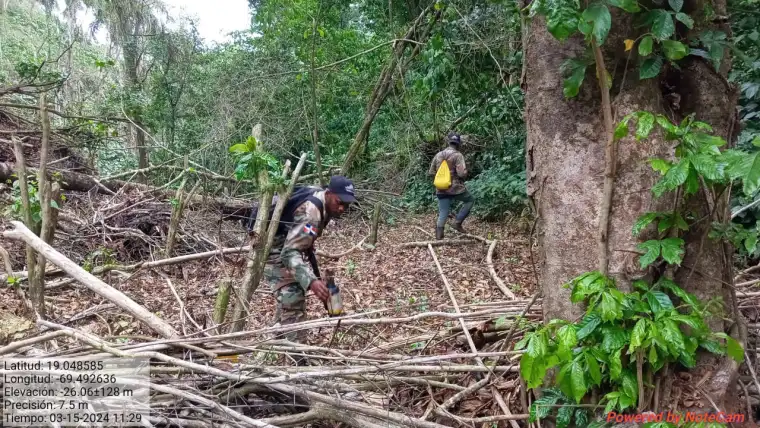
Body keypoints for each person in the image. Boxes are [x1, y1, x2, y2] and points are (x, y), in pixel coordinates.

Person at [262, 175, 356, 345]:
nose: (342, 208)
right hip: (270, 246)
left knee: (291, 295)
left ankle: (275, 339)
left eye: (347, 205)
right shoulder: (311, 213)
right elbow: (290, 252)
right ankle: (296, 356)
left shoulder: (326, 205)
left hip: (284, 242)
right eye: (339, 202)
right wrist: (311, 281)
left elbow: (302, 235)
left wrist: (306, 243)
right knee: (293, 295)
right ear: (328, 193)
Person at [428, 132, 474, 240]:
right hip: (455, 188)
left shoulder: (438, 155)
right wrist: (465, 172)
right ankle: (457, 222)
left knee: (443, 211)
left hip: (441, 188)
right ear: (458, 144)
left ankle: (439, 237)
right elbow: (461, 174)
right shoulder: (458, 155)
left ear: (449, 142)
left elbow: (431, 172)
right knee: (470, 200)